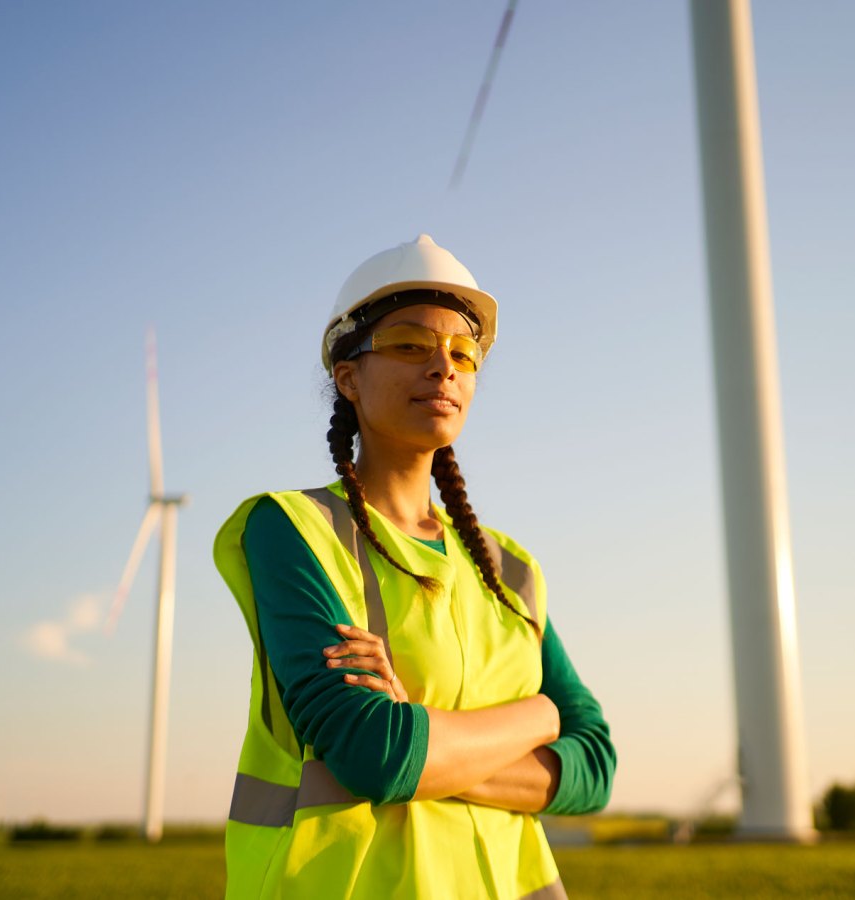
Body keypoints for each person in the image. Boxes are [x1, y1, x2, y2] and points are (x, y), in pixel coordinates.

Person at [213, 234, 616, 899]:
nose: (443, 368)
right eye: (408, 345)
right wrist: (541, 717)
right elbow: (372, 752)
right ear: (348, 377)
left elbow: (594, 765)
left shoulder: (510, 569)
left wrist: (424, 739)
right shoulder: (293, 530)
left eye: (463, 353)